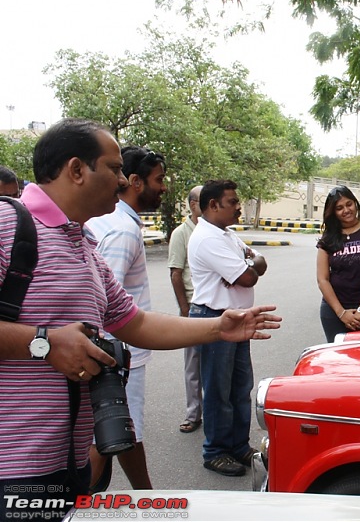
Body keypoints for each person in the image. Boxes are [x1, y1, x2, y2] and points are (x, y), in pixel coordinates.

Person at [0, 118, 280, 519]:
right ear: (76, 170)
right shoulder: (8, 225)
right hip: (12, 468)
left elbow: (136, 324)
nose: (122, 181)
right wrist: (43, 343)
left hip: (66, 461)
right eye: (114, 169)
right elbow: (48, 341)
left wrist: (218, 328)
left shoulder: (85, 248)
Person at [85, 146, 168, 491]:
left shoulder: (111, 222)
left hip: (117, 352)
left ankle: (146, 497)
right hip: (118, 354)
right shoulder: (122, 230)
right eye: (158, 180)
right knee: (106, 435)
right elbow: (106, 305)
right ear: (135, 182)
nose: (164, 188)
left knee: (124, 429)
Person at [188, 179, 267, 477]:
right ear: (213, 205)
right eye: (232, 202)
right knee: (219, 389)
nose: (237, 206)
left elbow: (259, 264)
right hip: (214, 317)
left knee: (239, 386)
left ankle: (237, 445)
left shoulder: (227, 235)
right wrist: (248, 267)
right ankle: (216, 451)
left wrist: (250, 264)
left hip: (236, 319)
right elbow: (249, 278)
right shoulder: (208, 239)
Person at [316, 186, 360, 341]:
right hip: (334, 311)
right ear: (333, 212)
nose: (346, 210)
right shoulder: (328, 239)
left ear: (355, 203)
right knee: (340, 360)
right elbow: (322, 279)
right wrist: (341, 313)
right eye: (339, 208)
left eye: (349, 204)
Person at [167, 185, 204, 434]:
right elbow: (176, 273)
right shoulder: (182, 234)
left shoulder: (218, 231)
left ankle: (212, 413)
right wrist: (184, 308)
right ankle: (194, 414)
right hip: (193, 306)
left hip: (215, 306)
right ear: (193, 205)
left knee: (216, 366)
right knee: (193, 365)